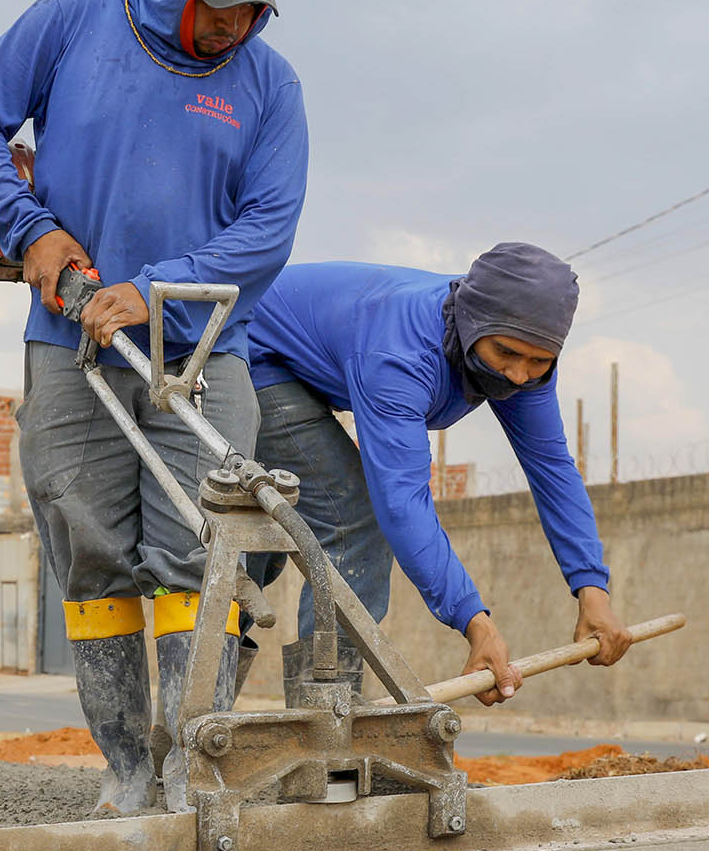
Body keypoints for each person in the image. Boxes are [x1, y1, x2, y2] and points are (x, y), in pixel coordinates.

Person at [0, 0, 310, 812]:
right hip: (69, 349)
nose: (234, 30)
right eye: (219, 9)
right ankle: (129, 776)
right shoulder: (70, 20)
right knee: (93, 556)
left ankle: (193, 777)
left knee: (204, 551)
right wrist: (28, 230)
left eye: (252, 12)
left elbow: (267, 229)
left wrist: (154, 290)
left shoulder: (269, 85)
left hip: (204, 356)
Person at [242, 245, 631, 706]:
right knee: (351, 522)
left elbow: (551, 469)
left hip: (318, 363)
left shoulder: (523, 351)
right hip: (254, 353)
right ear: (470, 324)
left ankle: (213, 703)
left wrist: (594, 592)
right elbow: (402, 502)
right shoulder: (400, 354)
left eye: (539, 361)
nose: (518, 375)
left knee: (260, 550)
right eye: (505, 353)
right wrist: (476, 623)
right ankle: (324, 720)